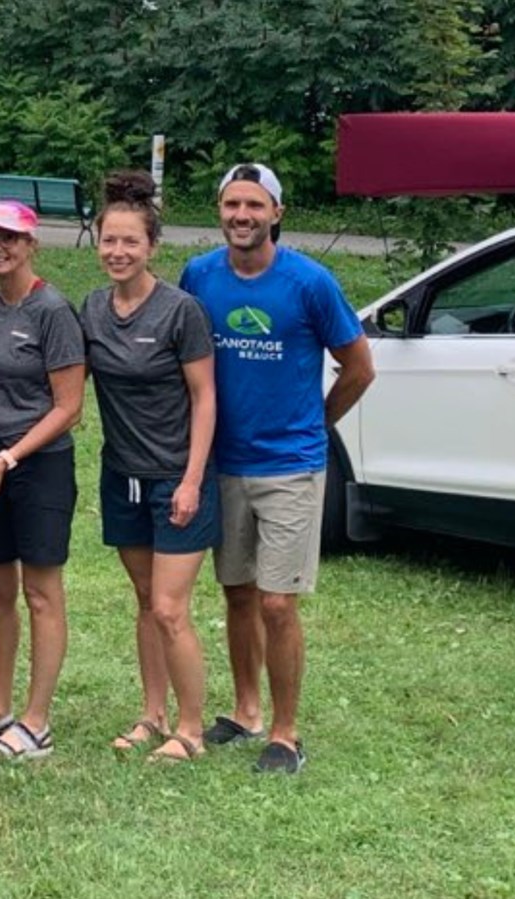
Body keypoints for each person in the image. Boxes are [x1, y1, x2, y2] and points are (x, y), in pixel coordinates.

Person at [179, 163, 374, 774]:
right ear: (220, 210)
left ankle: (286, 734)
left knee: (277, 604)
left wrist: (315, 423)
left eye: (254, 205)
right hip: (224, 462)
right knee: (236, 592)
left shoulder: (310, 283)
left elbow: (360, 366)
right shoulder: (200, 275)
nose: (242, 216)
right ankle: (245, 710)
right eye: (232, 204)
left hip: (289, 464)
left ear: (277, 213)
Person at [83, 172, 219, 762]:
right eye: (109, 241)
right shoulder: (91, 307)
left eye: (130, 242)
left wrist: (191, 480)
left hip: (176, 477)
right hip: (122, 475)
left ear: (152, 247)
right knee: (144, 601)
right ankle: (151, 713)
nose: (118, 252)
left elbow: (205, 397)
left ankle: (190, 728)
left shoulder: (180, 310)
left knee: (169, 607)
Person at [0, 200, 84, 760]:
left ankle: (37, 722)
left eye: (7, 238)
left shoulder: (52, 310)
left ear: (32, 244)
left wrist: (11, 457)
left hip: (39, 463)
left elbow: (68, 407)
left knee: (41, 592)